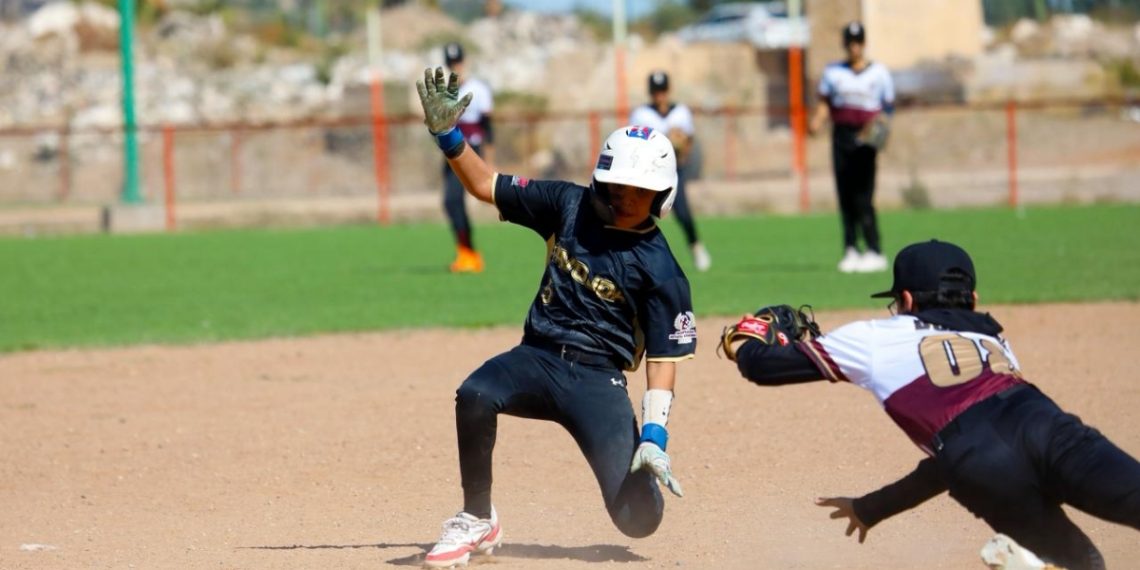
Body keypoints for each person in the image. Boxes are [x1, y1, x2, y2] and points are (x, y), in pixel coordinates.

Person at [415, 67, 695, 568]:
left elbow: (663, 359)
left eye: (639, 188)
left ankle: (639, 478)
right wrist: (448, 135)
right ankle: (477, 518)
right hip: (537, 356)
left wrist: (655, 434)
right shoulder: (568, 204)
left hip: (597, 381)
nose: (625, 196)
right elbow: (483, 185)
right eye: (617, 184)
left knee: (639, 520)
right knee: (475, 394)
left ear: (662, 194)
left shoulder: (662, 270)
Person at [723, 240, 1140, 570]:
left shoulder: (874, 338)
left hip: (973, 462)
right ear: (972, 298)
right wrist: (874, 507)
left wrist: (749, 335)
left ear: (905, 299)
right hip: (1049, 427)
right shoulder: (993, 341)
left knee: (1084, 565)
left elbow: (763, 368)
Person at [810, 22, 895, 274]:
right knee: (845, 194)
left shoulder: (878, 73)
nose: (854, 47)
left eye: (858, 42)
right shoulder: (834, 72)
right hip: (842, 136)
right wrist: (817, 120)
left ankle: (874, 249)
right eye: (850, 42)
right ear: (845, 44)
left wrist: (880, 128)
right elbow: (825, 103)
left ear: (864, 43)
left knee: (863, 196)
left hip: (866, 140)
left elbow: (887, 108)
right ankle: (850, 248)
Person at [630, 70, 711, 272]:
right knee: (643, 216)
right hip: (648, 173)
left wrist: (681, 147)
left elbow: (688, 140)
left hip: (673, 171)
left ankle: (696, 246)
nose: (660, 95)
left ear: (668, 90)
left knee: (683, 213)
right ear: (651, 93)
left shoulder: (680, 112)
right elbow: (633, 142)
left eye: (662, 90)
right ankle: (639, 256)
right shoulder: (641, 114)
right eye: (656, 91)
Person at [440, 42, 494, 273]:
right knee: (452, 202)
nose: (456, 68)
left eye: (458, 63)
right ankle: (466, 252)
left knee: (458, 200)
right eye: (451, 64)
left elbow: (487, 127)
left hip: (472, 151)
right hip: (451, 154)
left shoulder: (479, 90)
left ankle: (469, 253)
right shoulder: (445, 93)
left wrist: (489, 160)